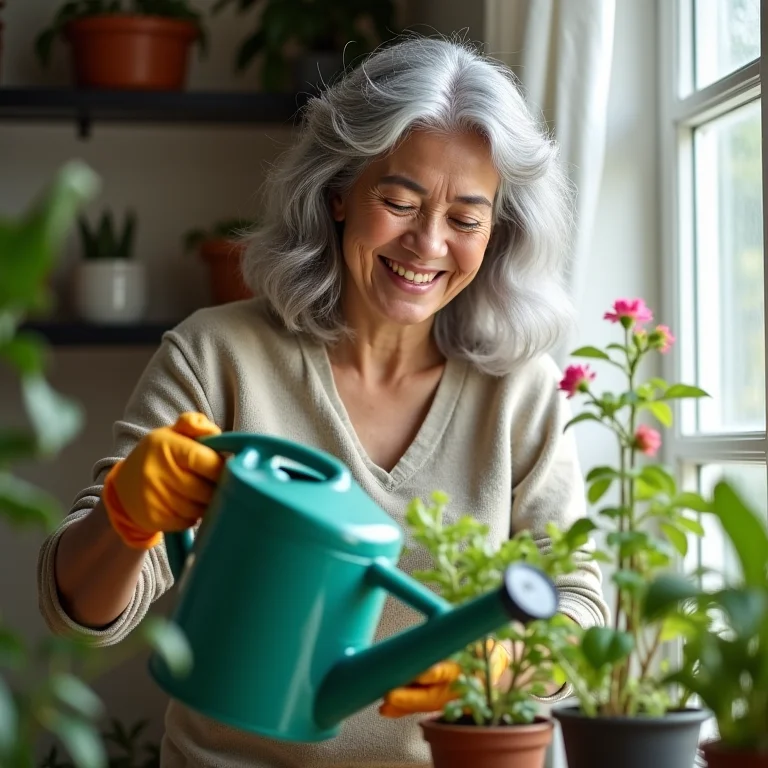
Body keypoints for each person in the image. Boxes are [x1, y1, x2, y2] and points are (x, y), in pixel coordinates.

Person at [37, 35, 609, 768]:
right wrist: (126, 515)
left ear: (498, 232)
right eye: (398, 202)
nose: (427, 243)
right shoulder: (219, 355)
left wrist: (509, 665)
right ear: (338, 193)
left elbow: (579, 602)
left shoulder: (519, 392)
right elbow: (78, 616)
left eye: (466, 219)